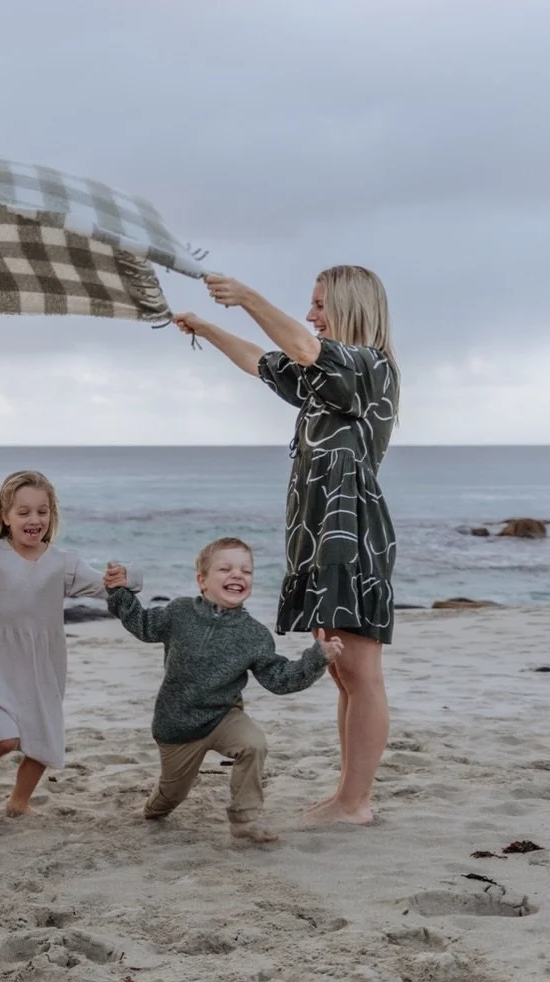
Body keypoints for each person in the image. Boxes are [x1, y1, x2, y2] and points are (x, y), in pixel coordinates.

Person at [175, 266, 398, 826]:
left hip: (351, 537)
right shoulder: (326, 379)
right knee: (344, 672)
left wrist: (246, 296)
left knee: (362, 673)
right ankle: (348, 796)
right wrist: (207, 326)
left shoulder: (368, 369)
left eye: (320, 304)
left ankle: (356, 802)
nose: (310, 313)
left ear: (350, 308)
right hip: (319, 536)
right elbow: (262, 361)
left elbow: (301, 344)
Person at [106, 538, 343, 842]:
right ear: (202, 581)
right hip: (177, 724)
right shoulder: (179, 613)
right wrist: (119, 591)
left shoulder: (254, 635)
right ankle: (154, 808)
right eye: (225, 568)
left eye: (246, 571)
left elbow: (279, 679)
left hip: (223, 716)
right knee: (170, 796)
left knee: (253, 744)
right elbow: (141, 623)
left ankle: (244, 820)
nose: (237, 575)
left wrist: (315, 659)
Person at [0, 470, 141, 816]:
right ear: (5, 516)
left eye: (42, 512)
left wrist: (125, 577)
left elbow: (108, 587)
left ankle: (19, 802)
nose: (35, 520)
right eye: (24, 512)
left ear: (51, 515)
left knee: (42, 743)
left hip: (40, 666)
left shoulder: (62, 564)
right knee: (4, 738)